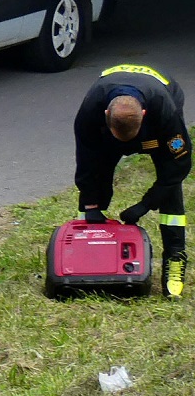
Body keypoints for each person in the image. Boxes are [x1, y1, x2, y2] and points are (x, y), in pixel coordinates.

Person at [74, 63, 190, 298]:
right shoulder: (90, 110)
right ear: (106, 114)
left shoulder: (165, 111)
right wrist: (91, 205)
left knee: (171, 190)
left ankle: (174, 258)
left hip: (155, 133)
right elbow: (86, 162)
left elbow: (178, 165)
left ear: (144, 116)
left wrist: (146, 204)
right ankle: (84, 253)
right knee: (98, 173)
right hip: (109, 131)